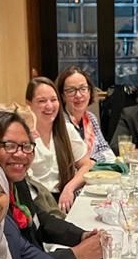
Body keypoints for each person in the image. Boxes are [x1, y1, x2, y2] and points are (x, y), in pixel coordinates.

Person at [0, 108, 103, 259]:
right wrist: (76, 255)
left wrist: (80, 236)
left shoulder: (15, 180)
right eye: (9, 146)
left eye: (26, 146)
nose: (21, 154)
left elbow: (38, 219)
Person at [25, 76, 93, 212]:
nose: (49, 106)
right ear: (29, 104)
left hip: (64, 201)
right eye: (42, 101)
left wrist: (69, 188)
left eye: (53, 100)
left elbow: (87, 164)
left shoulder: (66, 130)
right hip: (37, 204)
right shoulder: (24, 136)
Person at [57, 66, 114, 164]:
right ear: (63, 96)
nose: (78, 95)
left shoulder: (91, 118)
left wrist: (91, 161)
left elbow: (107, 152)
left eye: (83, 88)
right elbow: (71, 160)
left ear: (89, 91)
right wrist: (93, 160)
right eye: (71, 90)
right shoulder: (60, 122)